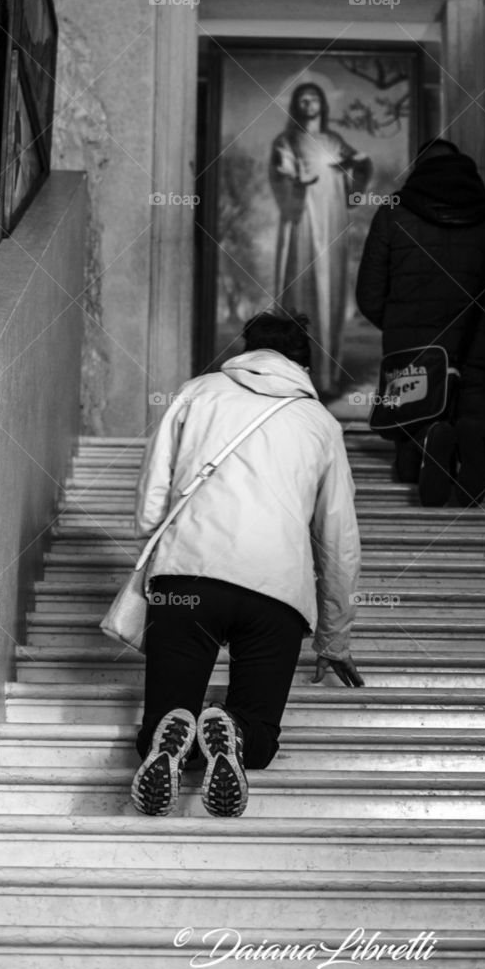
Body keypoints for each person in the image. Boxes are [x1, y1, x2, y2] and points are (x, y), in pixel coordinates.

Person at [130, 310, 363, 819]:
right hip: (276, 594)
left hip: (188, 578)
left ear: (244, 348)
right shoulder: (321, 423)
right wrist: (334, 638)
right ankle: (234, 731)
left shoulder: (198, 391)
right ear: (302, 361)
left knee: (167, 712)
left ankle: (168, 735)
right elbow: (338, 540)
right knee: (261, 735)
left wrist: (155, 544)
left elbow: (150, 504)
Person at [356, 139, 485, 507]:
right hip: (478, 344)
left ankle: (423, 445)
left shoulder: (393, 213)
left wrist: (399, 324)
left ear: (419, 171)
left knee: (415, 410)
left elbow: (368, 294)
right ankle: (470, 445)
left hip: (412, 349)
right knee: (475, 407)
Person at [269, 82, 372, 395]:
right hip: (304, 222)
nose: (309, 104)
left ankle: (327, 376)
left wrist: (357, 167)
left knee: (332, 291)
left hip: (333, 223)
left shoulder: (334, 141)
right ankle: (295, 377)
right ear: (297, 106)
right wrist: (297, 182)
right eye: (303, 99)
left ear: (322, 104)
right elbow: (281, 175)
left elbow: (360, 164)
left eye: (314, 99)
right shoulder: (288, 140)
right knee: (302, 289)